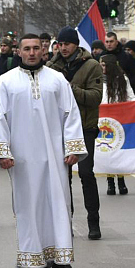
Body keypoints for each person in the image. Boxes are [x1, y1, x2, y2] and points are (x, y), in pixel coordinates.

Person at [0, 34, 87, 268]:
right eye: (27, 49)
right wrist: (2, 152)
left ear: (44, 50)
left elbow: (70, 114)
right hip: (22, 158)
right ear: (19, 52)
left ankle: (61, 259)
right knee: (27, 206)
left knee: (58, 203)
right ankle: (32, 259)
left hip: (54, 155)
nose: (32, 53)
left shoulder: (57, 80)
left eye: (36, 48)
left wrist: (73, 147)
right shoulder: (5, 82)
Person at [47, 27, 103, 240]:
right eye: (60, 44)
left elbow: (95, 97)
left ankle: (93, 221)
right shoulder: (51, 67)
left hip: (84, 127)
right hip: (59, 129)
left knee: (86, 174)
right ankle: (65, 222)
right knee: (63, 177)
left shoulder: (91, 66)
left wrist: (70, 88)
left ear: (76, 45)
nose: (63, 48)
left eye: (67, 44)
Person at [99, 53, 134, 196]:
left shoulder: (122, 79)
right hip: (104, 119)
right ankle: (110, 182)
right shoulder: (98, 80)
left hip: (119, 119)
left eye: (103, 65)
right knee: (107, 150)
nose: (101, 68)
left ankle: (121, 180)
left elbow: (130, 97)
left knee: (118, 151)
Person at [105, 32, 135, 98]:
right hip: (107, 91)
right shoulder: (102, 56)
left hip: (125, 91)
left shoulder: (126, 57)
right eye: (107, 42)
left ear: (116, 42)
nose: (109, 44)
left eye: (111, 41)